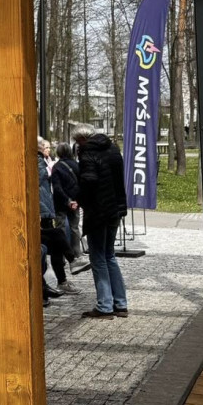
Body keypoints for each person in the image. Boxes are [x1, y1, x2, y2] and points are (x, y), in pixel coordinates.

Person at [73, 125, 130, 319]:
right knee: (109, 255)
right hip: (115, 209)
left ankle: (105, 305)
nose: (76, 145)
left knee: (98, 258)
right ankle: (120, 303)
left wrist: (78, 197)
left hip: (98, 211)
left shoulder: (88, 153)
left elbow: (89, 181)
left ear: (82, 139)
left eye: (77, 141)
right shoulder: (113, 149)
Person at [39, 138, 73, 294]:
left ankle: (61, 280)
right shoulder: (38, 162)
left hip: (46, 209)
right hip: (43, 210)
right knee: (56, 238)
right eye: (45, 147)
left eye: (48, 147)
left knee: (56, 242)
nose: (48, 149)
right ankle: (71, 263)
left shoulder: (45, 161)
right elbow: (37, 186)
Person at [51, 142, 87, 269]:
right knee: (74, 228)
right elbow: (82, 184)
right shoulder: (76, 165)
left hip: (61, 203)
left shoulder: (56, 167)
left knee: (60, 229)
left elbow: (57, 188)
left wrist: (67, 201)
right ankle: (77, 254)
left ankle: (62, 256)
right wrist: (76, 201)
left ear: (58, 153)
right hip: (75, 203)